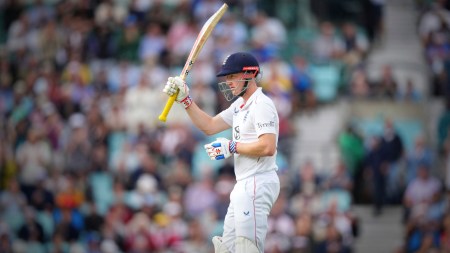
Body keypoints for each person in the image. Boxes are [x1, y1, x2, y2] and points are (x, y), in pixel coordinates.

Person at [163, 52, 281, 253]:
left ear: (250, 74)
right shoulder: (239, 105)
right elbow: (209, 126)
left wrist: (232, 147)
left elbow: (268, 147)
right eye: (227, 78)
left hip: (257, 181)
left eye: (233, 76)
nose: (229, 82)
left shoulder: (262, 105)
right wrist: (185, 100)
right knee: (226, 248)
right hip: (243, 183)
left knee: (247, 248)